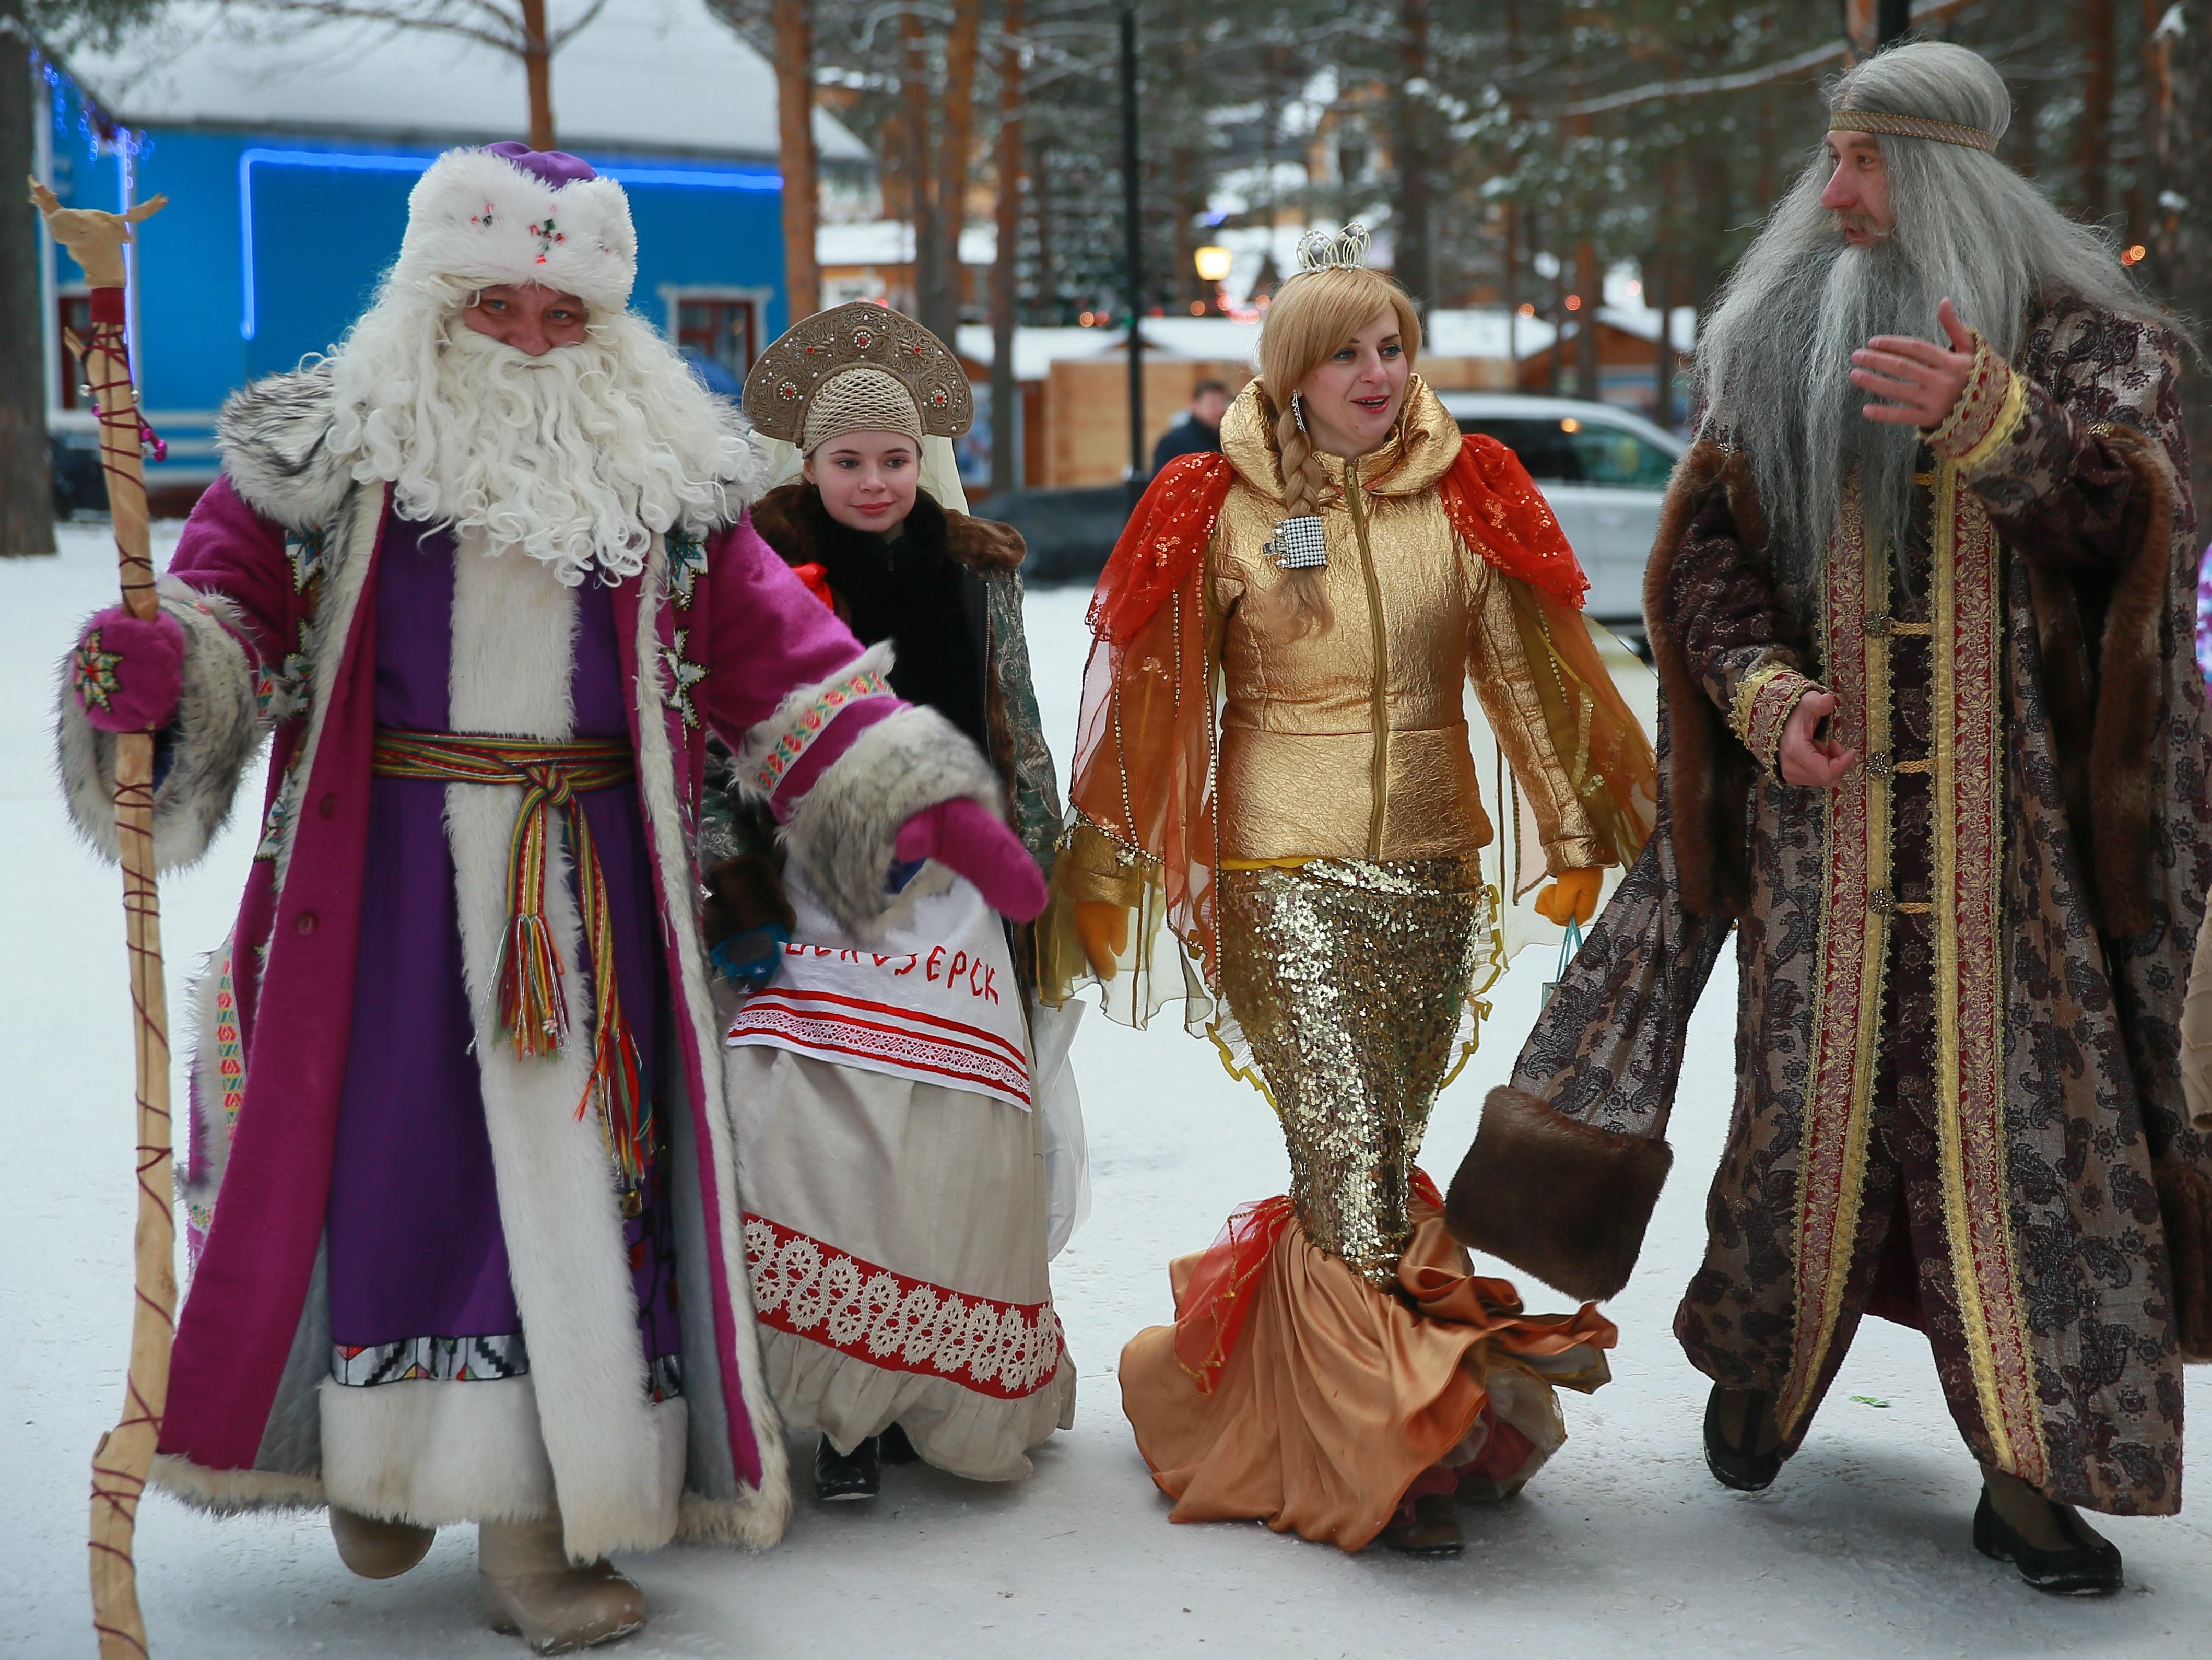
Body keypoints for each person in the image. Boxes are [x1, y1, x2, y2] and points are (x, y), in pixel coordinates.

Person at [54, 144, 1044, 1652]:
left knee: (580, 1198)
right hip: (377, 886)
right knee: (389, 1175)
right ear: (431, 291)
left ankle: (534, 1524)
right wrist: (155, 677)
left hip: (589, 892)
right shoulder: (326, 448)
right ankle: (378, 1456)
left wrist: (914, 795)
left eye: (560, 311)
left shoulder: (668, 479)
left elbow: (782, 664)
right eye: (495, 302)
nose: (526, 336)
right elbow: (227, 623)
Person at [1446, 42, 2212, 1597]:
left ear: (1942, 178)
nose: (1834, 186)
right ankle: (1763, 1363)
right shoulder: (1775, 341)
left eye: (1867, 160)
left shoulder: (2094, 342)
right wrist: (1761, 696)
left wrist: (1996, 427)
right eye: (1831, 154)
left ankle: (2029, 1469)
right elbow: (1706, 565)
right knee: (1803, 1126)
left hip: (2031, 873)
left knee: (2036, 1154)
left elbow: (2132, 534)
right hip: (1827, 844)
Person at [1041, 226, 1651, 1557]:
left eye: (1392, 348)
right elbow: (1154, 704)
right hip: (1277, 874)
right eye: (1346, 353)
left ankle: (1306, 1399)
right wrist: (1108, 867)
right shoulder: (1216, 504)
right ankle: (1390, 1455)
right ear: (1292, 370)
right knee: (1351, 1165)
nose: (1377, 374)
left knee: (1373, 1149)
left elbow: (1526, 677)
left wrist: (1577, 831)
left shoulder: (1465, 492)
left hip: (1433, 875)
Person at [700, 301, 1077, 1503]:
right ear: (806, 464)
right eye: (849, 460)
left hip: (962, 904)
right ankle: (837, 1409)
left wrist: (1045, 867)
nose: (876, 481)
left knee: (955, 1149)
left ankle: (931, 1395)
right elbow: (722, 737)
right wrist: (736, 887)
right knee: (815, 1148)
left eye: (897, 458)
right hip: (809, 903)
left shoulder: (977, 570)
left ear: (929, 461)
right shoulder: (750, 564)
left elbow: (1012, 726)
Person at [1149, 378, 1231, 472]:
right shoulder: (1173, 443)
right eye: (1213, 404)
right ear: (1195, 405)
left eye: (1224, 403)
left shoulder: (1228, 442)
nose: (1220, 410)